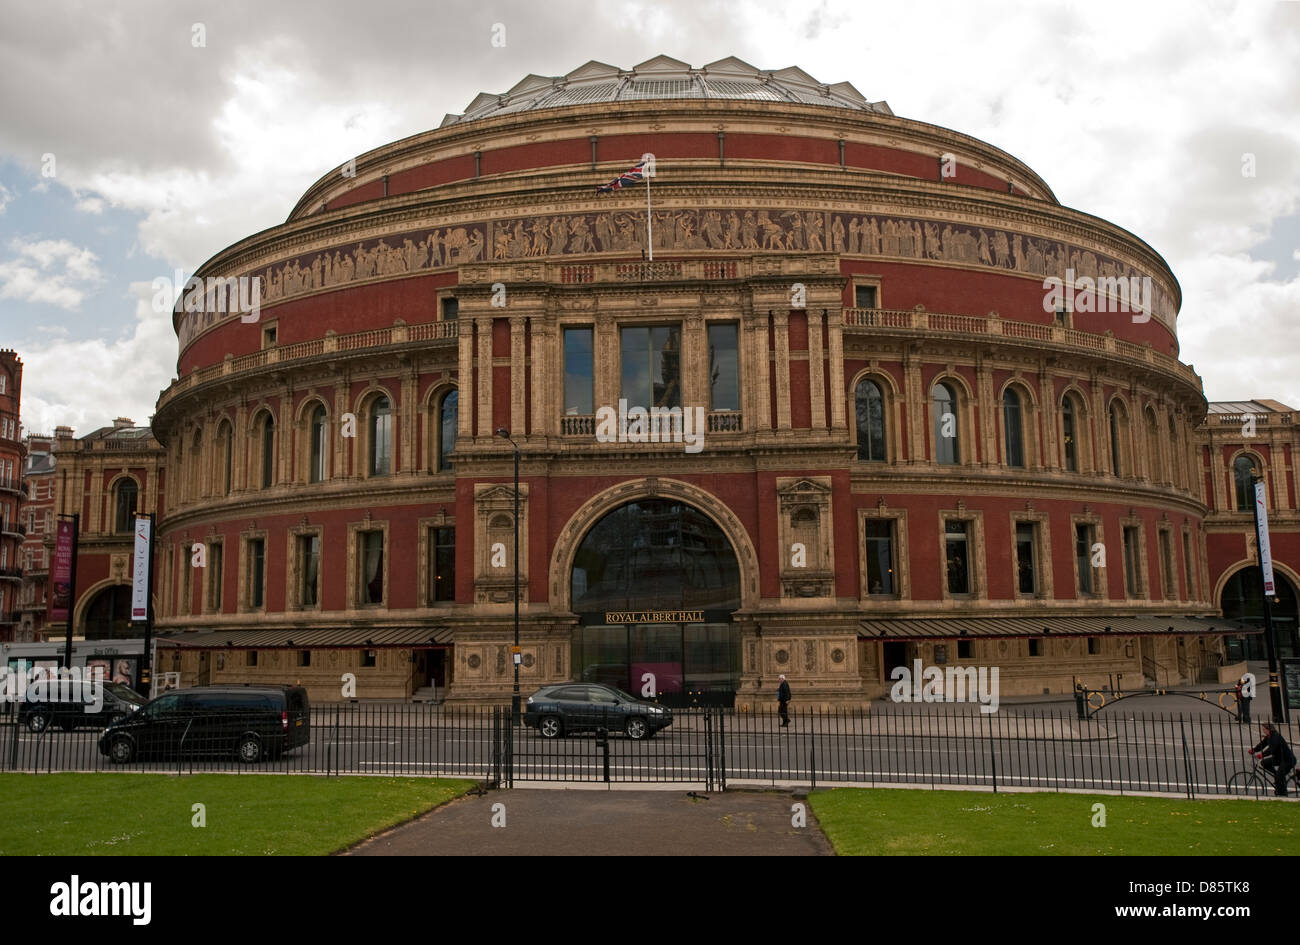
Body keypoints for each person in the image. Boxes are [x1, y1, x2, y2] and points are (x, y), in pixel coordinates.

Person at [1250, 722, 1296, 797]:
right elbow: (1262, 744)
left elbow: (1273, 748)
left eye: (1264, 729)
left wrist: (1262, 755)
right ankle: (1276, 775)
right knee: (1264, 763)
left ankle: (1283, 794)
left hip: (1288, 759)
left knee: (1280, 775)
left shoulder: (1275, 736)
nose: (1263, 731)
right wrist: (1254, 750)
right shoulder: (1268, 737)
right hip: (1279, 758)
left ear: (1269, 729)